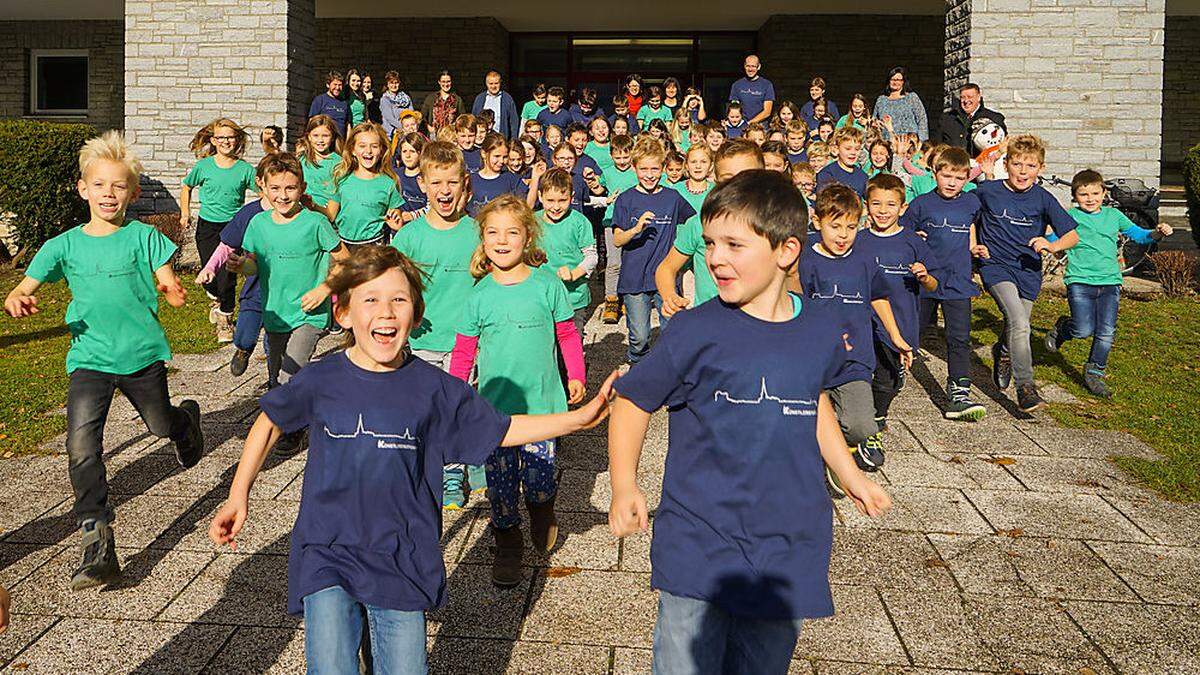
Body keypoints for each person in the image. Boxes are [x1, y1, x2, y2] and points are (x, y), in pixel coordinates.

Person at [208, 244, 615, 673]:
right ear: (343, 314)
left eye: (398, 300)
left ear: (416, 317)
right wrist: (239, 494)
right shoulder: (322, 379)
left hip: (404, 556)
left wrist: (577, 420)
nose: (385, 312)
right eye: (370, 299)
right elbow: (270, 420)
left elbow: (502, 428)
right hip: (327, 549)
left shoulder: (434, 389)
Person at [608, 170, 892, 674]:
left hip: (787, 539)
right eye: (711, 243)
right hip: (699, 537)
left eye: (734, 245)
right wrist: (625, 485)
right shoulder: (693, 331)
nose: (715, 258)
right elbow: (632, 400)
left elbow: (812, 402)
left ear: (785, 252)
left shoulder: (819, 329)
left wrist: (850, 474)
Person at [4, 130, 204, 590]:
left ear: (132, 192)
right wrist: (18, 298)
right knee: (81, 446)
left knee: (157, 425)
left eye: (118, 186)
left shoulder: (145, 237)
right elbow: (24, 287)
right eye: (99, 184)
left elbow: (169, 288)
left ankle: (183, 423)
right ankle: (96, 537)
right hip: (89, 359)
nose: (108, 193)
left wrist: (172, 291)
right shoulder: (63, 246)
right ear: (83, 188)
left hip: (140, 357)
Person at [448, 195, 587, 586]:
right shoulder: (479, 295)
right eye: (493, 232)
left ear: (528, 236)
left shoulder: (547, 285)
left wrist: (575, 375)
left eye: (512, 231)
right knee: (500, 485)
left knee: (541, 478)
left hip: (543, 406)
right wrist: (458, 394)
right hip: (496, 414)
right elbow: (463, 351)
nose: (502, 239)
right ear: (482, 240)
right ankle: (507, 539)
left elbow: (567, 333)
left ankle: (542, 508)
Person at [390, 141, 487, 509]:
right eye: (436, 183)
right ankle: (449, 473)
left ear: (465, 184)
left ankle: (471, 460)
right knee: (435, 410)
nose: (444, 191)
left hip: (468, 341)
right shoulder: (408, 238)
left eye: (451, 183)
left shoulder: (478, 233)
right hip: (425, 339)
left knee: (463, 404)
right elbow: (395, 289)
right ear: (423, 184)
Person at [799, 184, 912, 487]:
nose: (843, 235)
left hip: (855, 359)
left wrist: (896, 337)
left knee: (862, 426)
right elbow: (792, 302)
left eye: (850, 227)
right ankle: (826, 457)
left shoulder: (863, 259)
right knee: (799, 423)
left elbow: (879, 298)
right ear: (817, 221)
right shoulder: (805, 260)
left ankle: (842, 449)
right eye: (834, 226)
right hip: (813, 361)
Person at [231, 153, 349, 416]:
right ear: (263, 187)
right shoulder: (258, 224)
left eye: (290, 188)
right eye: (275, 188)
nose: (282, 196)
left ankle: (293, 428)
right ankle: (295, 413)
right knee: (275, 380)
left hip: (310, 314)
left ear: (302, 188)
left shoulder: (315, 222)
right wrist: (242, 266)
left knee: (289, 375)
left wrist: (325, 289)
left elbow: (345, 260)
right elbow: (255, 265)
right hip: (275, 312)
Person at [1044, 169, 1173, 398]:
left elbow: (1140, 236)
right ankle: (1064, 328)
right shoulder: (1071, 216)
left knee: (1106, 332)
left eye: (1095, 193)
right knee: (1082, 329)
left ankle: (1095, 372)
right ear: (1075, 196)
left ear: (1104, 193)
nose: (1090, 199)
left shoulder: (1114, 216)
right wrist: (1044, 238)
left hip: (1110, 282)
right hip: (1080, 280)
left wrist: (1158, 233)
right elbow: (1054, 240)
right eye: (1084, 194)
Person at [974, 134, 1079, 413]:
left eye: (1030, 166)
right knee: (1020, 323)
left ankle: (1003, 351)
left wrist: (1052, 244)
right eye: (1017, 164)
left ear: (1040, 168)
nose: (1023, 171)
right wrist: (974, 245)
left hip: (1029, 271)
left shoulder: (1044, 199)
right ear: (1006, 164)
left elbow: (1072, 236)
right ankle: (1026, 388)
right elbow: (966, 215)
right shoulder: (987, 192)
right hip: (996, 266)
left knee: (1015, 325)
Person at [899, 147, 988, 421]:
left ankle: (958, 392)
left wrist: (975, 249)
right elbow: (901, 231)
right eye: (946, 175)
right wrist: (913, 236)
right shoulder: (922, 204)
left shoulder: (972, 204)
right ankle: (895, 366)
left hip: (958, 282)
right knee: (914, 329)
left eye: (958, 178)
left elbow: (974, 228)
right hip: (925, 280)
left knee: (958, 338)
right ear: (935, 173)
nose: (951, 182)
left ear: (967, 179)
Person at [859, 174, 938, 464]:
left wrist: (925, 276)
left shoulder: (911, 241)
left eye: (890, 204)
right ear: (866, 206)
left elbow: (934, 285)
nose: (883, 210)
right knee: (869, 377)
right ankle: (868, 429)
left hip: (902, 322)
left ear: (902, 208)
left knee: (890, 382)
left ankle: (876, 415)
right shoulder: (858, 240)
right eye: (876, 203)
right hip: (864, 322)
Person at [610, 136, 697, 364]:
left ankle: (664, 377)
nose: (649, 174)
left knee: (671, 334)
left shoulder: (672, 198)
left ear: (663, 168)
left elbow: (694, 223)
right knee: (639, 337)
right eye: (644, 169)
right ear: (634, 167)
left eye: (655, 169)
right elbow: (617, 240)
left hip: (665, 278)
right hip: (634, 277)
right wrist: (635, 229)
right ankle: (638, 366)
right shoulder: (626, 199)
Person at [657, 139, 763, 316]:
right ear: (716, 180)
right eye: (728, 179)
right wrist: (670, 297)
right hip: (710, 322)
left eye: (747, 176)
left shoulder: (776, 222)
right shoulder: (699, 224)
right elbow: (666, 268)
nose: (738, 184)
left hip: (761, 325)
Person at [194, 156, 275, 376]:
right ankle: (242, 350)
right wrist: (210, 267)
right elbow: (227, 244)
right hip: (256, 291)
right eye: (275, 187)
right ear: (261, 183)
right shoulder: (250, 213)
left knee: (275, 345)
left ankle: (275, 384)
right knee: (244, 337)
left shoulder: (301, 215)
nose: (281, 195)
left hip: (285, 295)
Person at [180, 117, 256, 343]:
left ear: (237, 140)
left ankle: (225, 320)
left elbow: (263, 194)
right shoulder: (203, 166)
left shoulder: (244, 169)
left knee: (227, 274)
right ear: (213, 140)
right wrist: (185, 213)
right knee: (210, 273)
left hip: (233, 227)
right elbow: (186, 186)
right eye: (221, 137)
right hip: (207, 226)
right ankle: (215, 297)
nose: (226, 141)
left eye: (230, 137)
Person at [535, 168, 598, 337]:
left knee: (572, 342)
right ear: (540, 196)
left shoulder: (579, 222)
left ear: (572, 196)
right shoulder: (532, 222)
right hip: (542, 297)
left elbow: (591, 257)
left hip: (573, 297)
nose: (556, 207)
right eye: (550, 200)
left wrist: (574, 273)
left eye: (562, 200)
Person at [327, 122, 404, 247]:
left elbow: (396, 217)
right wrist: (312, 205)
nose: (368, 151)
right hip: (344, 244)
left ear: (382, 150)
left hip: (375, 245)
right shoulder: (342, 179)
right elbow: (330, 216)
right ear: (352, 149)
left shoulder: (388, 183)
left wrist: (396, 222)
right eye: (362, 146)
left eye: (374, 146)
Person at [598, 134, 638, 325]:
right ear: (611, 155)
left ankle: (627, 297)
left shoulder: (637, 171)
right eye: (618, 157)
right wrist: (593, 183)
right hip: (612, 222)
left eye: (625, 157)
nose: (622, 161)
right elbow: (599, 189)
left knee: (630, 262)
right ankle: (611, 299)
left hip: (634, 223)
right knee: (614, 262)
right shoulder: (606, 172)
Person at [466, 133, 530, 215]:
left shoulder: (512, 179)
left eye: (505, 157)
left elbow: (527, 205)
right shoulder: (471, 180)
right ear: (484, 154)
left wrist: (535, 178)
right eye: (497, 156)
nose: (501, 161)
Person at [939, 82, 1006, 154]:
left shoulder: (994, 118)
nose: (966, 101)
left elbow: (1003, 145)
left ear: (979, 97)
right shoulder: (947, 119)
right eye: (963, 97)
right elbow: (938, 146)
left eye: (970, 97)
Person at [297, 115, 343, 217]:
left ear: (332, 137)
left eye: (325, 136)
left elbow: (332, 214)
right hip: (300, 214)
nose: (320, 140)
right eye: (316, 135)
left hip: (322, 215)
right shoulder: (301, 160)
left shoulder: (338, 163)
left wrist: (312, 205)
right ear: (309, 136)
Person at [873, 67, 928, 142]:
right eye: (892, 79)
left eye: (898, 80)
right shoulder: (881, 100)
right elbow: (874, 119)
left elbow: (922, 119)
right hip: (887, 141)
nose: (895, 82)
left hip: (908, 143)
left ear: (903, 82)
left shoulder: (911, 97)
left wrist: (922, 141)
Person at [816, 125, 869, 198]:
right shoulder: (827, 174)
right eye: (848, 149)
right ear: (836, 149)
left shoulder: (863, 176)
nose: (853, 152)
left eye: (857, 149)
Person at [471, 70, 521, 139]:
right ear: (486, 83)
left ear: (500, 83)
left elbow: (514, 121)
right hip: (482, 139)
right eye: (491, 84)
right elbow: (473, 119)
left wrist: (514, 139)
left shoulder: (507, 99)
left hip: (501, 138)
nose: (493, 86)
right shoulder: (480, 99)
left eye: (496, 83)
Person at [729, 54, 775, 125]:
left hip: (761, 126)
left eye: (753, 66)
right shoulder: (737, 85)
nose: (750, 69)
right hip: (741, 124)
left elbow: (767, 111)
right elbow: (734, 108)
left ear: (759, 66)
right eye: (748, 66)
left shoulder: (767, 85)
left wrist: (750, 123)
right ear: (744, 66)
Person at [420, 70, 462, 136]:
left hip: (451, 135)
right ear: (439, 82)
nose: (446, 84)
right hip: (434, 135)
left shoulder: (457, 99)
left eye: (448, 81)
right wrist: (429, 127)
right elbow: (422, 116)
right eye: (443, 82)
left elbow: (462, 118)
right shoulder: (431, 98)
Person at [309, 71, 350, 136]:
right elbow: (312, 122)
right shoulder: (320, 100)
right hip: (324, 141)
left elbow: (348, 125)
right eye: (335, 84)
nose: (337, 88)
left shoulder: (344, 103)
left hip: (340, 142)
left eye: (340, 85)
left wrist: (347, 142)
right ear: (328, 85)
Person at [380, 71, 414, 141]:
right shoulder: (385, 99)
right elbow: (390, 118)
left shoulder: (406, 97)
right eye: (391, 83)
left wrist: (409, 127)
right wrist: (403, 127)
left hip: (407, 131)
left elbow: (411, 113)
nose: (394, 85)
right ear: (387, 84)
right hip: (391, 133)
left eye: (396, 83)